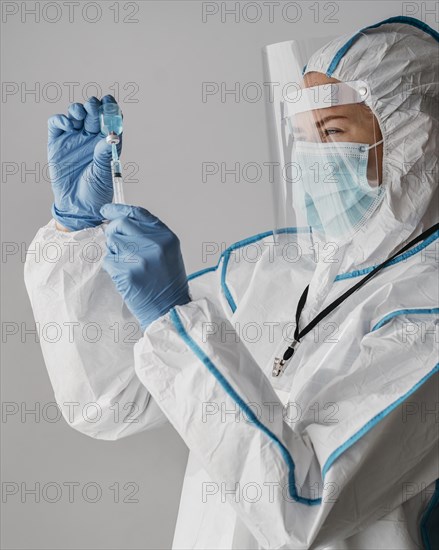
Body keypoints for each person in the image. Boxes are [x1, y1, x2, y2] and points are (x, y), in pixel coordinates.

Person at [25, 16, 438, 549]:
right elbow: (110, 400)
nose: (312, 158)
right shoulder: (273, 272)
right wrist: (76, 235)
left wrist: (176, 319)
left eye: (332, 131)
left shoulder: (423, 318)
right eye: (302, 136)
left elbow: (302, 508)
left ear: (416, 138)